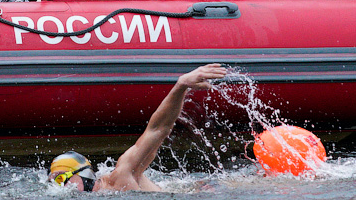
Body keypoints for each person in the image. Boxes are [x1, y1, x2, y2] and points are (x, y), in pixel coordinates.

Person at [48, 63, 228, 192]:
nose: (59, 187)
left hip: (209, 196)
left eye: (61, 179)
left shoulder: (122, 175)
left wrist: (180, 86)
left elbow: (157, 129)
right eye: (53, 182)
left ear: (85, 174)